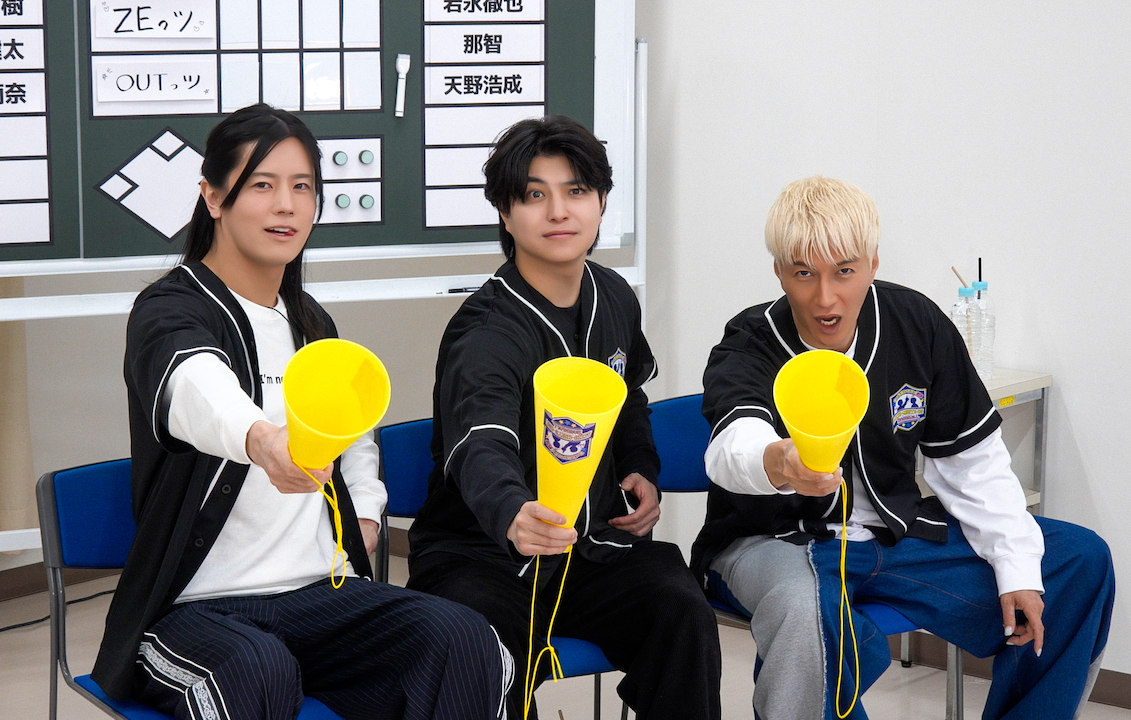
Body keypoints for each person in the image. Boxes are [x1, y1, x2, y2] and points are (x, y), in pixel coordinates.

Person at [91, 104, 512, 720]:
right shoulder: (170, 307)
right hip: (195, 610)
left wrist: (364, 514)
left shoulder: (311, 322)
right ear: (213, 196)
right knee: (255, 671)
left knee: (465, 641)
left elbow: (355, 434)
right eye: (262, 185)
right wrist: (263, 440)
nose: (286, 205)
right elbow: (195, 385)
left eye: (303, 187)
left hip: (319, 595)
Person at [692, 176, 1114, 720]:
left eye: (845, 271)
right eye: (804, 274)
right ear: (779, 272)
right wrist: (779, 462)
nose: (825, 297)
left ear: (872, 264)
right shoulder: (751, 340)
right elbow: (732, 445)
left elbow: (971, 463)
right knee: (805, 608)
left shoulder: (916, 323)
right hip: (774, 544)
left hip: (893, 538)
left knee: (1077, 560)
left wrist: (1017, 567)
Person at [406, 115, 721, 720]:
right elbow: (480, 442)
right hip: (483, 557)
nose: (558, 212)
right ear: (506, 214)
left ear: (600, 202)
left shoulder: (614, 296)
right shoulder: (485, 331)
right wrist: (512, 511)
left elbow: (627, 397)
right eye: (534, 195)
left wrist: (641, 467)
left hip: (590, 550)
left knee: (681, 612)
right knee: (479, 651)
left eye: (576, 191)